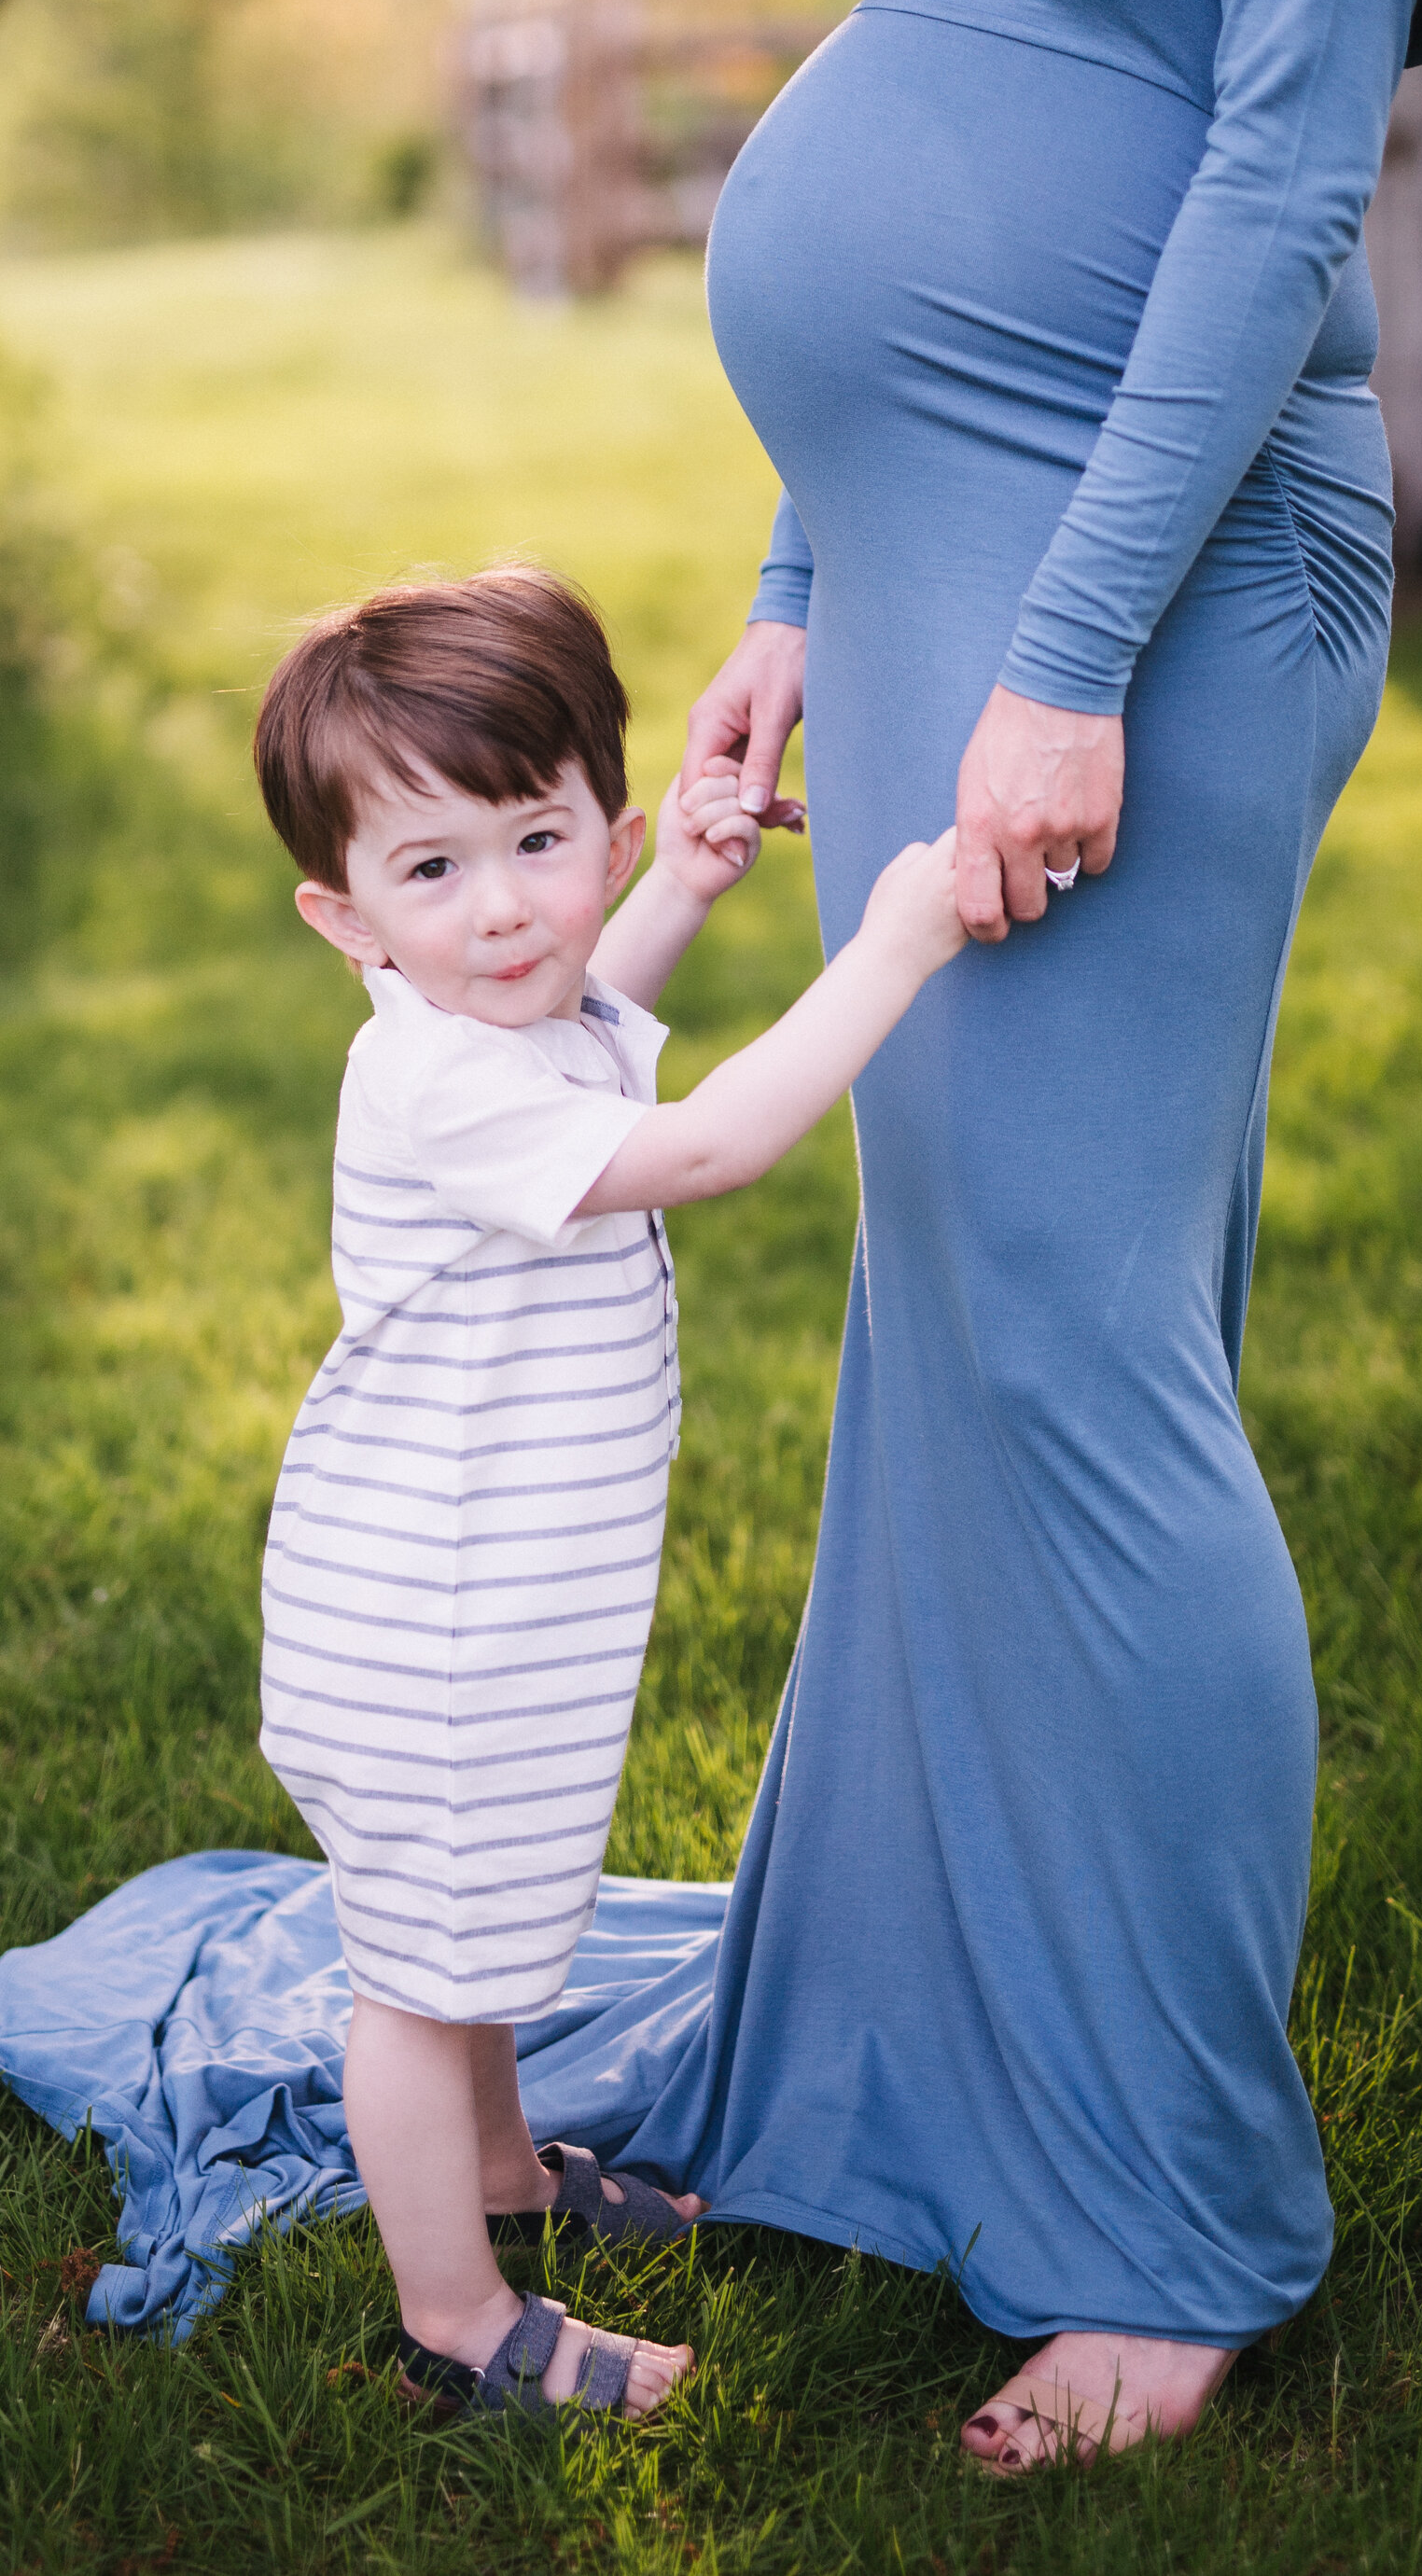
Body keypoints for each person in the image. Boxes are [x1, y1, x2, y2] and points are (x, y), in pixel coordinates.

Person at [627, 0, 1422, 2475]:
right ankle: (880, 2081)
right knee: (966, 1342)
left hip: (1155, 580)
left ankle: (1176, 2220)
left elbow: (1275, 185)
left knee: (1095, 1364)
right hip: (962, 573)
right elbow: (993, 53)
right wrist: (810, 592)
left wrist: (1058, 658)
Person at [246, 566, 968, 2421]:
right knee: (417, 1979)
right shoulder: (434, 1085)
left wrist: (687, 894)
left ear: (603, 829)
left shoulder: (506, 1023)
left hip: (487, 1592)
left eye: (541, 841)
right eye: (431, 872)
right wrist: (883, 944)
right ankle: (457, 2320)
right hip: (427, 1612)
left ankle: (494, 2171)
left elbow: (584, 1012)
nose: (502, 910)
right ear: (345, 920)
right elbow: (704, 1141)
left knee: (477, 1926)